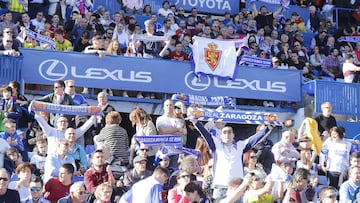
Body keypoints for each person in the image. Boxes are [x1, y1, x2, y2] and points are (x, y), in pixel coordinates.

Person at [194, 120, 272, 199]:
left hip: (237, 187)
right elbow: (205, 133)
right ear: (221, 135)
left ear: (233, 135)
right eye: (224, 132)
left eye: (229, 132)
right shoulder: (216, 144)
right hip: (220, 187)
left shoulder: (240, 145)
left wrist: (268, 128)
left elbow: (254, 139)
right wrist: (195, 122)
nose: (227, 134)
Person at [156, 99, 187, 167]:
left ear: (173, 107)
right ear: (164, 107)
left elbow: (181, 133)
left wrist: (170, 130)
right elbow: (162, 130)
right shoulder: (160, 119)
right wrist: (177, 129)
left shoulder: (179, 120)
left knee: (173, 171)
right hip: (163, 150)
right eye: (167, 105)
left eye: (170, 105)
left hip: (175, 150)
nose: (169, 107)